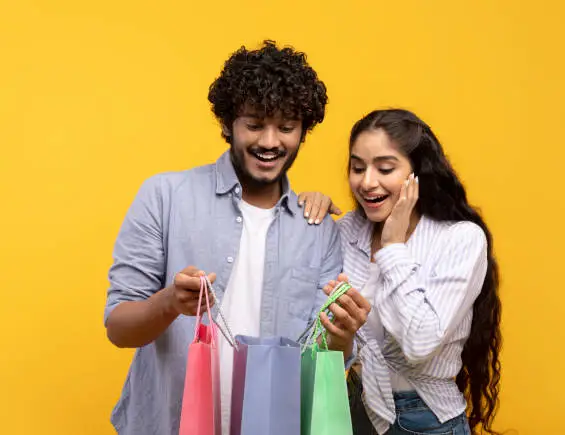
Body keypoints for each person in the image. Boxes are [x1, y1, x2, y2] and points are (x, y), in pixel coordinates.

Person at [103, 40, 370, 435]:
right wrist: (169, 303)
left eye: (286, 126)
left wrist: (343, 337)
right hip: (168, 423)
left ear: (303, 132)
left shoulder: (319, 231)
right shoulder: (164, 197)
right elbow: (118, 328)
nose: (269, 141)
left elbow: (326, 358)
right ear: (228, 123)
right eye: (255, 124)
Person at [301, 108, 502, 434]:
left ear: (417, 172)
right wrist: (307, 210)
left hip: (424, 419)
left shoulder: (460, 239)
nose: (367, 182)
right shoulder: (348, 230)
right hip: (352, 409)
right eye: (357, 168)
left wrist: (393, 247)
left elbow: (420, 343)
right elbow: (316, 327)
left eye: (385, 168)